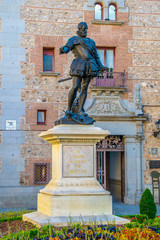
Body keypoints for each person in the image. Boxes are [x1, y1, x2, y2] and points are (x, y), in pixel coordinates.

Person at [59, 22, 106, 116]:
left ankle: (80, 109)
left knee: (84, 88)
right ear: (79, 29)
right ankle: (69, 109)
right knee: (75, 87)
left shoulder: (91, 42)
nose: (84, 30)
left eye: (86, 29)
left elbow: (96, 56)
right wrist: (64, 49)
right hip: (79, 65)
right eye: (83, 28)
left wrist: (100, 65)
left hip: (90, 65)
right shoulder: (73, 39)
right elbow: (68, 47)